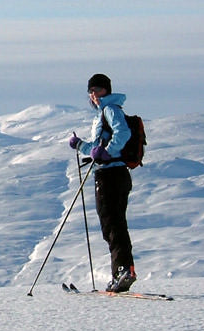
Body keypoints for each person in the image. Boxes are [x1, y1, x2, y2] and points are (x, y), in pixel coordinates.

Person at [68, 73, 137, 292]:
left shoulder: (110, 110)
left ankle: (123, 272)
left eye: (97, 90)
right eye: (90, 91)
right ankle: (122, 272)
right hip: (112, 173)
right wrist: (81, 146)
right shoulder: (103, 113)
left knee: (112, 224)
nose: (93, 95)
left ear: (106, 90)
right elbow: (98, 148)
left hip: (111, 174)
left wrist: (107, 152)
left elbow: (122, 133)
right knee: (113, 224)